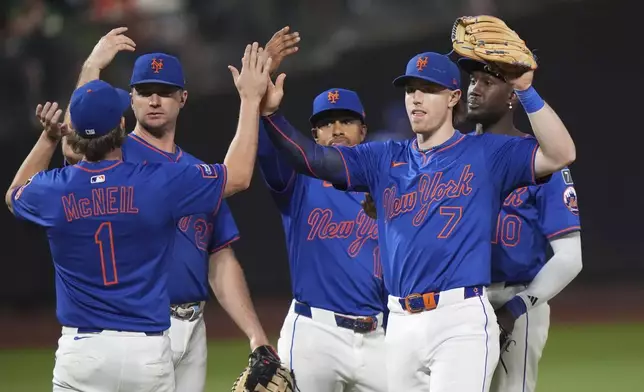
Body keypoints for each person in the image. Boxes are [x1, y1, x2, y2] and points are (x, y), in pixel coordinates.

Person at [258, 48, 576, 391]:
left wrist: (526, 90)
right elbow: (314, 159)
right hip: (399, 324)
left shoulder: (486, 153)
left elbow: (561, 153)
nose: (416, 98)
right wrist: (272, 115)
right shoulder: (383, 157)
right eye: (410, 90)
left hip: (461, 318)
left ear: (454, 97)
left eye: (428, 89)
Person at [4, 42, 271, 391]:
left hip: (82, 349)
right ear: (122, 120)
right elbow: (237, 175)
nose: (154, 100)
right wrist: (251, 100)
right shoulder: (156, 182)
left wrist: (49, 136)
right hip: (147, 346)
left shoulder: (57, 190)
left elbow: (14, 194)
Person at [61, 27, 298, 391]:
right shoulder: (115, 157)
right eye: (145, 92)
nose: (154, 100)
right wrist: (92, 67)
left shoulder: (194, 173)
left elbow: (220, 259)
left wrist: (256, 336)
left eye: (165, 93)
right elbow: (77, 140)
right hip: (134, 325)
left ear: (183, 98)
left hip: (193, 328)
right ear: (131, 99)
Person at [460, 57, 583, 392]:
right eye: (472, 80)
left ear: (512, 94)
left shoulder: (541, 159)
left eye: (488, 81)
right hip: (457, 302)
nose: (475, 88)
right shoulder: (450, 157)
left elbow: (571, 257)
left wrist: (517, 308)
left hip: (516, 297)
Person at [258, 86, 387, 391]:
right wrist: (262, 110)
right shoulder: (297, 181)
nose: (337, 130)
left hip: (378, 335)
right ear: (314, 135)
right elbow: (267, 152)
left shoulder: (386, 183)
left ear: (363, 131)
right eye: (327, 123)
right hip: (315, 332)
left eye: (346, 121)